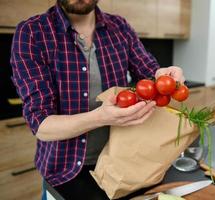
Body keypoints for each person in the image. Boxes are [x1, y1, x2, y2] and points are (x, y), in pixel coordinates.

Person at [10, 0, 185, 199]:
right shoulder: (32, 32)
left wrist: (165, 75)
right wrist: (101, 117)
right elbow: (41, 124)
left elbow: (150, 74)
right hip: (65, 173)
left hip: (122, 164)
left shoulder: (119, 27)